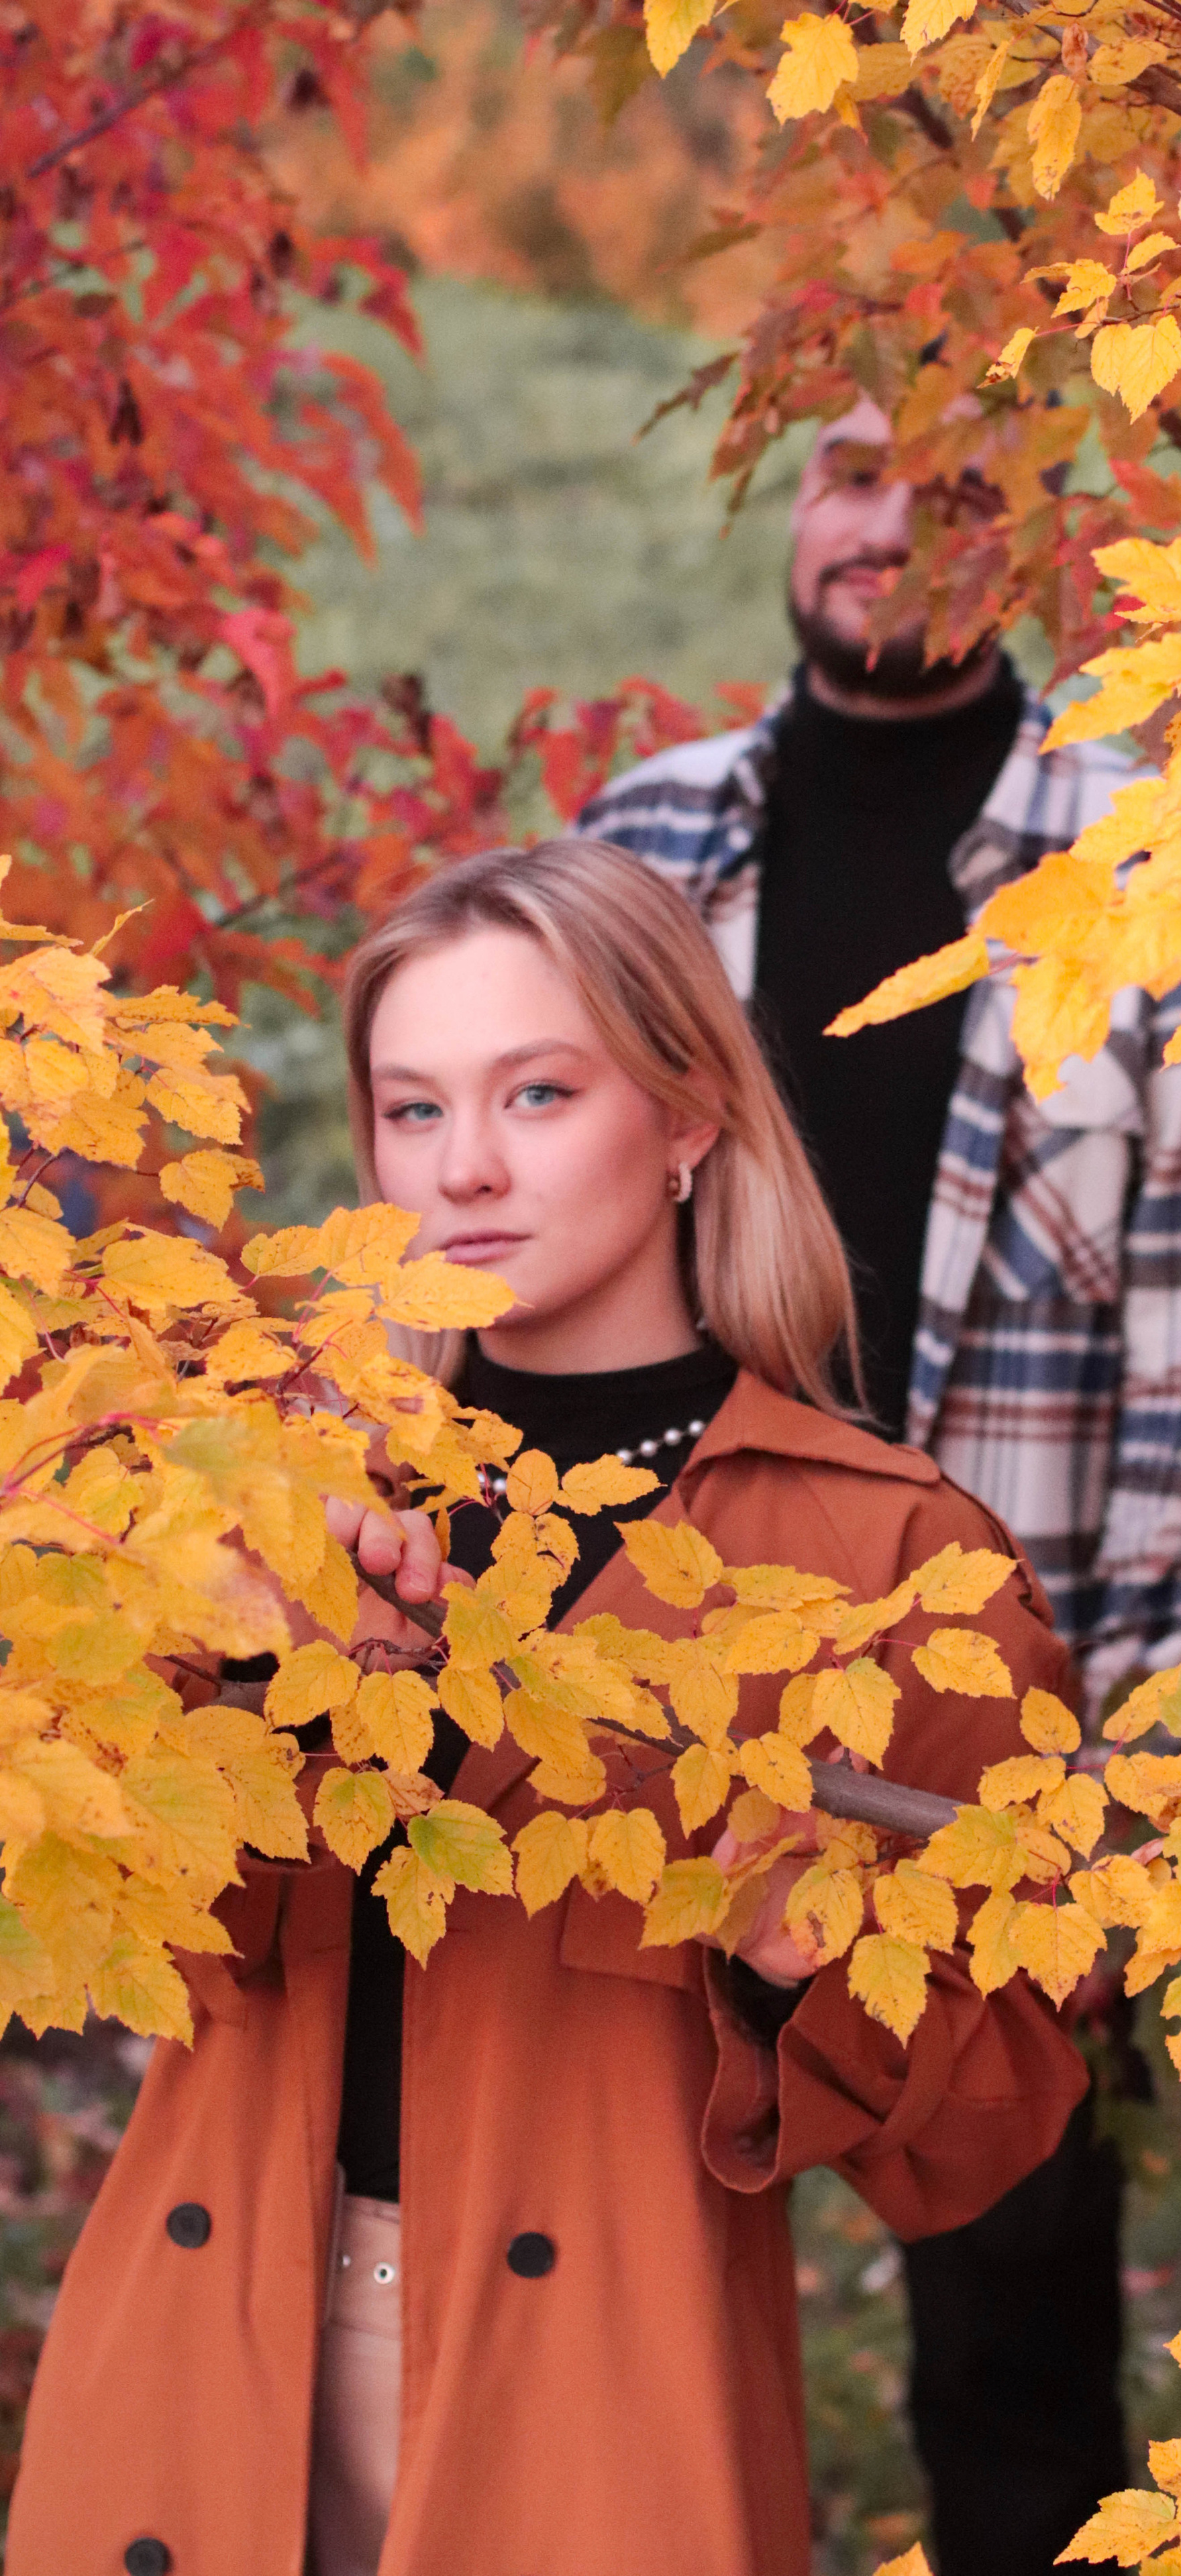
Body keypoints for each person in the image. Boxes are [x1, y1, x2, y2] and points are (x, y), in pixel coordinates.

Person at [7, 839, 1090, 2576]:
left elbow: (1000, 2122)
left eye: (537, 1091)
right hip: (195, 2381)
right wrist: (209, 1674)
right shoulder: (274, 1497)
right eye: (415, 1110)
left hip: (597, 2423)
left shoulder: (887, 1560)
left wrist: (799, 1955)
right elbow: (117, 1921)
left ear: (685, 1118)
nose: (472, 1168)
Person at [578, 398, 1181, 2576]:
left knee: (1011, 2303)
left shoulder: (1157, 856)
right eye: (849, 472)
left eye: (962, 484)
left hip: (1006, 1702)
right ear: (791, 511)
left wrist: (1119, 1768)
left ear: (1039, 529)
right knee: (611, 2239)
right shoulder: (648, 842)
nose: (892, 526)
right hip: (659, 1664)